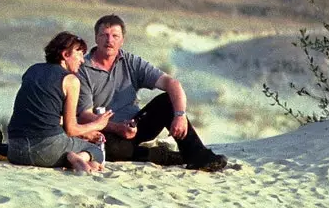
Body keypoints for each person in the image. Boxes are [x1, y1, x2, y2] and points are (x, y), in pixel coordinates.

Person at [77, 14, 228, 172]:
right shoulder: (83, 69)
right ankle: (164, 156)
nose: (110, 40)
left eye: (115, 36)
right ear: (96, 38)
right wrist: (117, 128)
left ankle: (198, 155)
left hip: (135, 125)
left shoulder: (131, 62)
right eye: (104, 35)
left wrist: (180, 115)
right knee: (108, 149)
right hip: (106, 130)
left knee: (167, 101)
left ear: (122, 40)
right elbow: (84, 115)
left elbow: (172, 83)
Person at [5, 31, 108, 173]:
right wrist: (97, 124)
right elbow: (71, 129)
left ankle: (75, 158)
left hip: (16, 151)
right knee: (96, 151)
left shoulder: (32, 70)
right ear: (65, 55)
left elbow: (43, 115)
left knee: (71, 140)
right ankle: (77, 158)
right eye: (79, 54)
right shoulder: (71, 80)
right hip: (45, 152)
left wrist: (84, 133)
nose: (82, 60)